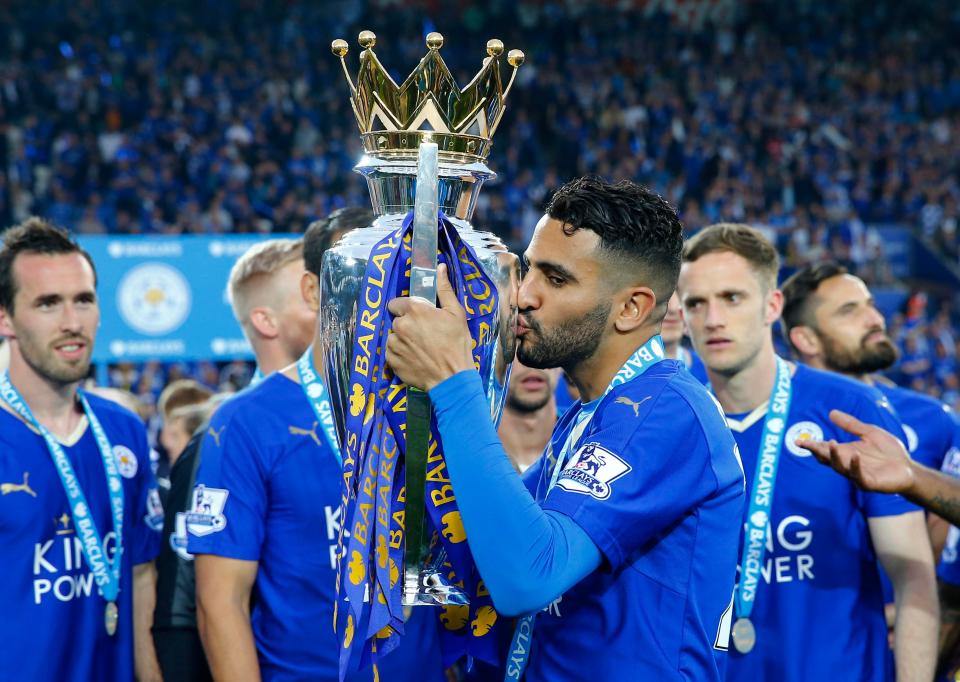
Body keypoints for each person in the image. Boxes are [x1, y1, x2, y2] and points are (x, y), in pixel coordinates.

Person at [386, 177, 745, 680]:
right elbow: (493, 541)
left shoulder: (664, 410)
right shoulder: (590, 415)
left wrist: (454, 381)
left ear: (631, 308)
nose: (525, 295)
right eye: (529, 269)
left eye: (556, 279)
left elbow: (528, 576)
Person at [189, 209, 444, 680]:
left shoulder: (439, 407)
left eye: (404, 275)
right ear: (314, 290)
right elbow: (219, 602)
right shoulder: (248, 422)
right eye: (368, 271)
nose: (389, 293)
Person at [677, 223, 938, 682]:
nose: (712, 318)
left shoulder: (849, 411)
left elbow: (912, 577)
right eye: (697, 303)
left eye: (732, 298)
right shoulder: (675, 425)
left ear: (771, 306)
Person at [0, 218, 163, 681]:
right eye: (48, 303)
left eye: (83, 300)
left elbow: (139, 576)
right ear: (5, 317)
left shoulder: (124, 431)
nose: (72, 323)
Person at [152, 236, 316, 681]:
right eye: (309, 291)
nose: (325, 299)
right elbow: (187, 608)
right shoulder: (221, 436)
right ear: (265, 320)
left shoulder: (364, 415)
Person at [498, 358, 560, 473]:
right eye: (518, 342)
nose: (533, 359)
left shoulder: (588, 435)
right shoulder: (464, 447)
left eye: (545, 343)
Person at [661, 291, 709, 384]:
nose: (673, 308)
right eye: (664, 294)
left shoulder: (711, 371)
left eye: (680, 294)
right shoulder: (626, 373)